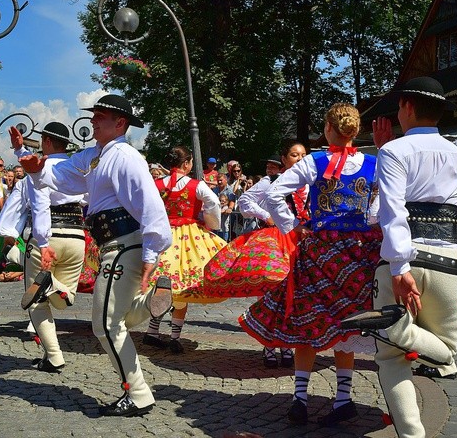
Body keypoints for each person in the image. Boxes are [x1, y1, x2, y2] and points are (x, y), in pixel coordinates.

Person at [343, 77, 457, 437]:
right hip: (450, 261)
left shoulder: (393, 152)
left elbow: (390, 211)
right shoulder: (454, 152)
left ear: (407, 107)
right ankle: (398, 331)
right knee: (446, 354)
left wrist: (399, 266)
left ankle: (412, 433)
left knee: (390, 358)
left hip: (406, 261)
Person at [18, 94, 172, 417]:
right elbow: (63, 173)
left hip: (122, 246)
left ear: (120, 123)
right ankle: (151, 303)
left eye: (100, 116)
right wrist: (36, 167)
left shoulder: (126, 157)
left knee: (104, 324)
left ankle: (139, 393)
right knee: (119, 316)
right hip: (114, 247)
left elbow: (150, 203)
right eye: (94, 115)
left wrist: (152, 251)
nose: (93, 120)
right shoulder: (95, 156)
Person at [240, 103, 381, 426]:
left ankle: (300, 399)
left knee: (309, 322)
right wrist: (369, 223)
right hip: (358, 254)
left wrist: (292, 226)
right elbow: (381, 206)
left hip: (319, 251)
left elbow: (275, 193)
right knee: (347, 324)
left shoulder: (315, 161)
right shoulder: (374, 164)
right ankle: (343, 399)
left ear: (328, 129)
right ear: (356, 131)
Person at [206, 143, 308, 369]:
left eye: (303, 155)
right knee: (274, 291)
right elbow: (244, 201)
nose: (299, 159)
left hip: (301, 242)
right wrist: (267, 216)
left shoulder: (309, 184)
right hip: (277, 240)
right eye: (294, 155)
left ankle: (286, 343)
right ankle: (270, 343)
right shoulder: (271, 181)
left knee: (295, 293)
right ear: (284, 158)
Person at [6, 121, 87, 373]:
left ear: (48, 142)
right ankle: (53, 287)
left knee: (37, 303)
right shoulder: (76, 168)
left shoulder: (39, 170)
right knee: (65, 299)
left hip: (49, 236)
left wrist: (42, 242)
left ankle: (54, 356)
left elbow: (40, 205)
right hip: (77, 235)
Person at [142, 146, 225, 353]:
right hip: (188, 237)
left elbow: (145, 206)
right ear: (187, 164)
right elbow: (214, 201)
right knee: (183, 288)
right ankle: (174, 337)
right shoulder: (197, 185)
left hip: (162, 235)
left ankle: (152, 332)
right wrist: (211, 223)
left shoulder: (157, 184)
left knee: (161, 286)